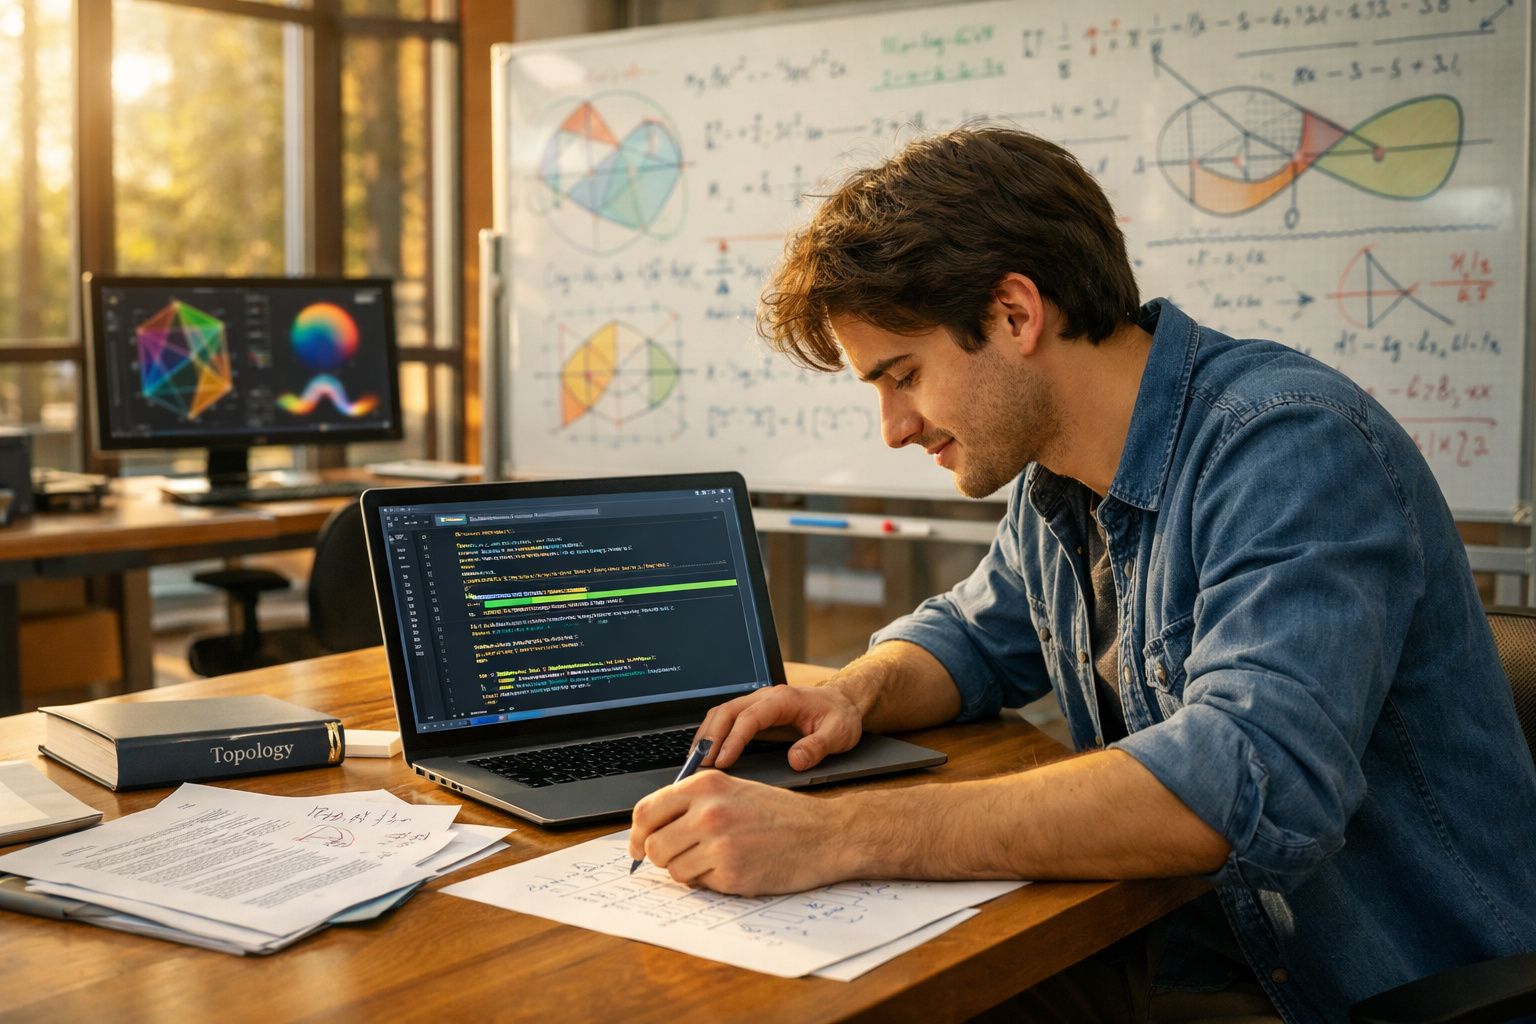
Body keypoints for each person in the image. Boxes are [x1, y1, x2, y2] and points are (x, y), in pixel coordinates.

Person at [627, 127, 1536, 1021]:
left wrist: (834, 837)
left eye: (901, 375)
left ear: (1017, 314)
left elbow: (1245, 781)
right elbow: (972, 637)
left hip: (1364, 986)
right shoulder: (1061, 481)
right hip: (1175, 942)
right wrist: (856, 695)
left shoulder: (1291, 447)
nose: (893, 428)